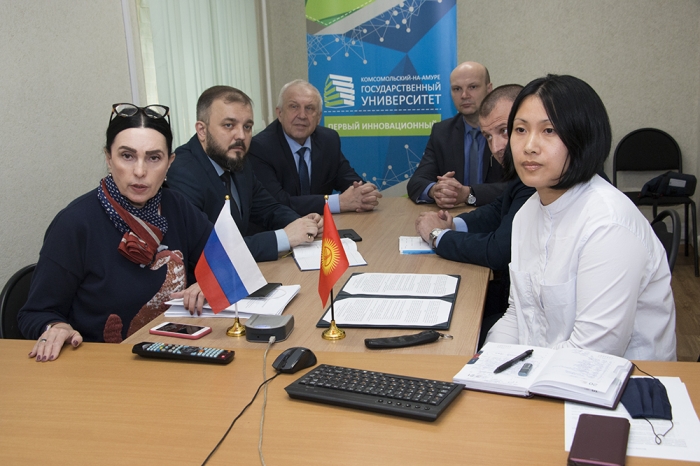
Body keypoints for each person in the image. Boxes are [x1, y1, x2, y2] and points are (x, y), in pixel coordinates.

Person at [486, 74, 677, 361]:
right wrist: (486, 362)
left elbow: (593, 352)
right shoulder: (527, 213)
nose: (529, 146)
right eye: (520, 130)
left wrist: (514, 372)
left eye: (549, 130)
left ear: (583, 138)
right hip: (542, 369)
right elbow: (517, 314)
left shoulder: (608, 223)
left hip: (618, 381)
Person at [18, 103, 212, 361]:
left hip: (175, 355)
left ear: (169, 163)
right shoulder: (74, 223)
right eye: (127, 156)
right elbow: (35, 313)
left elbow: (230, 260)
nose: (140, 171)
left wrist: (212, 282)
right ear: (109, 159)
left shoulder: (177, 207)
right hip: (103, 368)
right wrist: (56, 327)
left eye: (154, 158)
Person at [414, 85, 533, 346]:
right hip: (521, 305)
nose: (496, 147)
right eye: (488, 136)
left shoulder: (537, 174)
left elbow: (498, 250)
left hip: (534, 319)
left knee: (457, 327)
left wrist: (437, 235)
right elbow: (498, 209)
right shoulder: (523, 173)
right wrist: (453, 223)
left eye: (505, 131)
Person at [166, 86, 323, 262]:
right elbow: (210, 249)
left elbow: (268, 208)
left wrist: (302, 223)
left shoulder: (236, 158)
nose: (241, 135)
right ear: (202, 130)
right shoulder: (183, 172)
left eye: (247, 126)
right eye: (229, 125)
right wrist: (284, 237)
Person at [248, 79, 381, 216]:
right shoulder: (260, 147)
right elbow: (276, 203)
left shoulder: (328, 140)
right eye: (294, 106)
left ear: (319, 117)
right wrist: (338, 202)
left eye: (309, 108)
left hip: (321, 225)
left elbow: (349, 179)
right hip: (281, 227)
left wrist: (364, 194)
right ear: (280, 113)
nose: (302, 115)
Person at [407, 61, 504, 208]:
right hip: (454, 214)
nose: (464, 95)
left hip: (499, 215)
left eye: (472, 87)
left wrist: (468, 194)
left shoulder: (508, 130)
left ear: (489, 89)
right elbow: (416, 182)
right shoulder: (442, 132)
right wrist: (436, 190)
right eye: (457, 89)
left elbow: (520, 187)